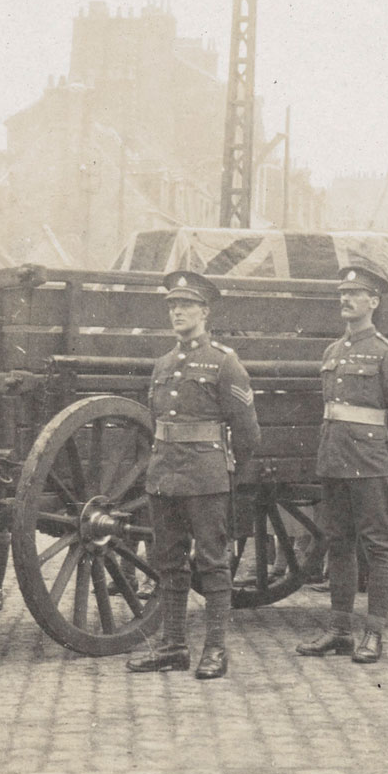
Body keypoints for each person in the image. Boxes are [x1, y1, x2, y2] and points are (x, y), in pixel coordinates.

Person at [125, 271, 260, 680]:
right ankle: (173, 646)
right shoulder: (163, 364)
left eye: (185, 304)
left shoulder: (224, 362)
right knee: (168, 562)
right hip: (165, 474)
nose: (177, 311)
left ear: (204, 311)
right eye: (171, 305)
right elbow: (156, 419)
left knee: (213, 563)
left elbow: (248, 432)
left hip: (205, 476)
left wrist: (224, 471)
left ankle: (215, 649)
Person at [295, 265, 388, 664]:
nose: (346, 300)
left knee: (379, 548)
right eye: (343, 294)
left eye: (356, 294)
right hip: (334, 461)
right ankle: (339, 631)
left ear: (374, 302)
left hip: (371, 464)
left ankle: (375, 633)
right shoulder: (333, 352)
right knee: (339, 546)